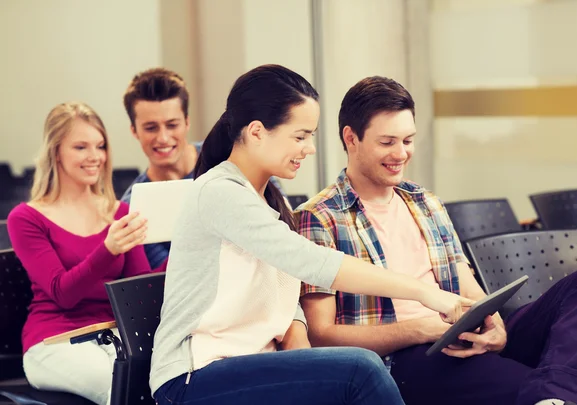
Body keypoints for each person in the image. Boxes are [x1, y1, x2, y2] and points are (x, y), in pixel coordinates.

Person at [149, 65, 473, 405]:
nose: (310, 148)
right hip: (192, 378)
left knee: (349, 372)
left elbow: (286, 302)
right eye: (300, 136)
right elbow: (314, 263)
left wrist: (305, 358)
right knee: (360, 368)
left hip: (251, 365)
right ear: (258, 132)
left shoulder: (268, 199)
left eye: (312, 135)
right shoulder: (219, 193)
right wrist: (425, 293)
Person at [297, 76, 577, 405]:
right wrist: (419, 329)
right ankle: (559, 393)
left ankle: (557, 393)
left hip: (462, 332)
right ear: (350, 138)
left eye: (408, 140)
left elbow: (468, 288)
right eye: (387, 142)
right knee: (529, 388)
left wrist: (496, 327)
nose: (401, 153)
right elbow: (321, 335)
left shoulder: (425, 201)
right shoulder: (320, 217)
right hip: (406, 358)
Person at [7, 102, 154, 405]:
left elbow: (138, 291)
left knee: (174, 377)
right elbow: (63, 293)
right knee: (123, 387)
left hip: (115, 338)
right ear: (56, 152)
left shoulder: (119, 212)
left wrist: (184, 255)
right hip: (54, 343)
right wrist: (108, 249)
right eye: (81, 147)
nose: (94, 157)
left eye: (100, 146)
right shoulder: (26, 218)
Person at [121, 68, 285, 268]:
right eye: (150, 128)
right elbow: (168, 274)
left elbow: (280, 214)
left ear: (187, 122)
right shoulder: (134, 206)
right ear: (134, 131)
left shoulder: (232, 155)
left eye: (172, 125)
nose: (163, 138)